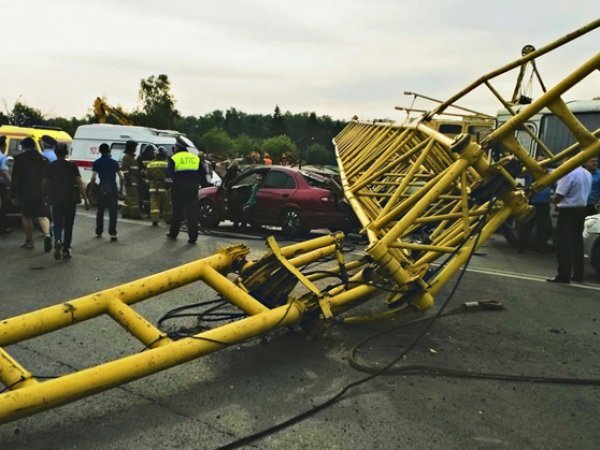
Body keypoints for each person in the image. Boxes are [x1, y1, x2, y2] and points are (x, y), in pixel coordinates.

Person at [42, 143, 90, 259]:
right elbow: (79, 182)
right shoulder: (72, 166)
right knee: (69, 225)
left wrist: (44, 196)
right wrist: (86, 198)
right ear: (66, 152)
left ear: (55, 152)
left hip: (56, 198)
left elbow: (44, 183)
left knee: (57, 223)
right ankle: (66, 249)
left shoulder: (50, 166)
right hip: (70, 199)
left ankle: (58, 239)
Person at [546, 164, 591, 284]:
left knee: (564, 243)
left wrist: (554, 202)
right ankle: (578, 274)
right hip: (581, 209)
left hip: (568, 211)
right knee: (577, 243)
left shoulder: (568, 173)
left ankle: (563, 275)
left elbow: (559, 194)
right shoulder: (587, 174)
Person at [10, 137, 52, 250]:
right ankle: (47, 235)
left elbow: (15, 179)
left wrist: (13, 194)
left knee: (26, 216)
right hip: (41, 191)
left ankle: (29, 241)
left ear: (23, 147)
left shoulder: (19, 160)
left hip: (25, 192)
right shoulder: (44, 159)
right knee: (42, 215)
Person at [165, 136, 203, 244]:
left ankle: (173, 233)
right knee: (192, 214)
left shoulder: (174, 158)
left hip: (178, 189)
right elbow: (203, 174)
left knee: (177, 212)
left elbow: (168, 176)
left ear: (177, 147)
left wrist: (167, 188)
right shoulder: (195, 158)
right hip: (192, 189)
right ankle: (193, 237)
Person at [90, 143, 124, 241]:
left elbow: (93, 178)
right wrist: (121, 190)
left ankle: (99, 231)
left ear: (100, 151)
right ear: (109, 151)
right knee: (113, 212)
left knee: (100, 211)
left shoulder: (97, 162)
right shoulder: (114, 163)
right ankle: (113, 233)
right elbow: (121, 177)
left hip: (102, 188)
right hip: (113, 189)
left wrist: (92, 190)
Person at [145, 147, 172, 226]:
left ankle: (154, 220)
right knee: (167, 204)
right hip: (164, 187)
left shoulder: (151, 164)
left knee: (154, 204)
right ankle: (168, 220)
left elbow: (147, 176)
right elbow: (170, 175)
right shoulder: (167, 163)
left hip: (153, 187)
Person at [121, 140, 142, 219]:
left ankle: (125, 212)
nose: (136, 149)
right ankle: (135, 215)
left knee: (129, 198)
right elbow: (125, 170)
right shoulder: (126, 157)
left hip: (134, 179)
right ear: (131, 148)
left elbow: (134, 169)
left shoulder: (132, 157)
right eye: (135, 147)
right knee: (134, 199)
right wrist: (128, 181)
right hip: (130, 180)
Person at [136, 144, 156, 215]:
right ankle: (140, 210)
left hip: (150, 179)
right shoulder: (140, 158)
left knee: (148, 196)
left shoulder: (153, 158)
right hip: (141, 179)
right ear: (148, 151)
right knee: (141, 196)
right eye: (152, 152)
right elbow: (138, 170)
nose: (153, 153)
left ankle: (148, 211)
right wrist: (142, 177)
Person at [0, 135, 12, 234]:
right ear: (3, 146)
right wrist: (12, 183)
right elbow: (4, 172)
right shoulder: (3, 157)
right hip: (1, 185)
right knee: (4, 205)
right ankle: (3, 227)